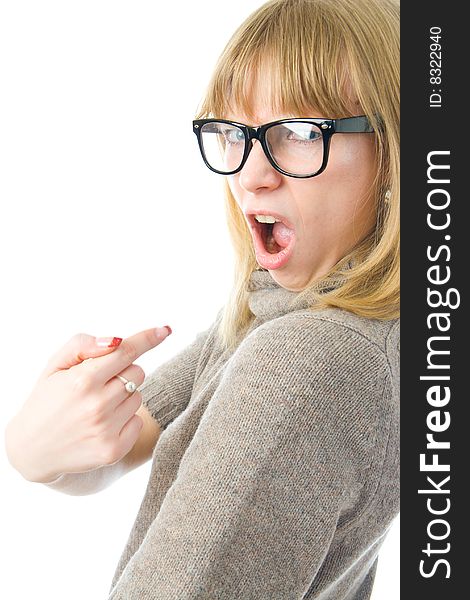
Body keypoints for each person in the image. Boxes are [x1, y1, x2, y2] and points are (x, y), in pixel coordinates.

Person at [5, 0, 400, 598]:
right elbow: (135, 432)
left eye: (296, 133)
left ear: (396, 151)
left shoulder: (313, 356)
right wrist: (37, 453)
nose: (250, 176)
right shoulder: (288, 306)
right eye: (233, 133)